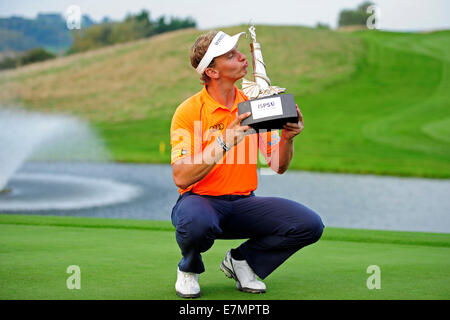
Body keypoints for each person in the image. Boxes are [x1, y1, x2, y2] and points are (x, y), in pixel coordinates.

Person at [170, 30, 324, 298]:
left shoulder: (255, 106)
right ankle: (189, 268)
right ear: (213, 72)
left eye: (238, 51)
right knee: (195, 223)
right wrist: (226, 140)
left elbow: (278, 165)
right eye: (230, 55)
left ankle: (243, 261)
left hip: (243, 204)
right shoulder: (189, 111)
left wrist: (288, 139)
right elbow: (182, 177)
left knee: (308, 224)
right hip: (200, 202)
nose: (243, 57)